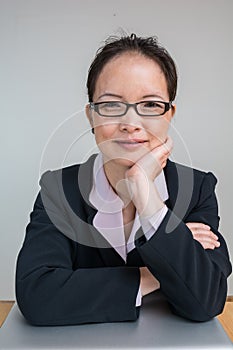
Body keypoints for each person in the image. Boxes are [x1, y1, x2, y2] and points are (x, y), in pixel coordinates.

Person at [16, 33, 232, 326]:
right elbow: (37, 296)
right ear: (91, 117)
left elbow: (205, 300)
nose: (131, 124)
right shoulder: (59, 191)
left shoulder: (197, 189)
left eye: (151, 105)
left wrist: (148, 198)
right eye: (111, 105)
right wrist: (152, 272)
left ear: (170, 115)